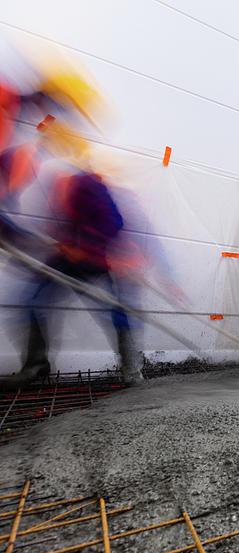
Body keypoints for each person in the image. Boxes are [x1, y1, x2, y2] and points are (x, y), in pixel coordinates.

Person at [1, 116, 143, 387]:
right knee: (33, 300)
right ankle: (36, 367)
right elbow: (69, 221)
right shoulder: (58, 180)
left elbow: (113, 221)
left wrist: (84, 246)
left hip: (95, 260)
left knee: (115, 310)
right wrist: (60, 240)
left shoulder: (89, 182)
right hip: (69, 258)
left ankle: (132, 371)